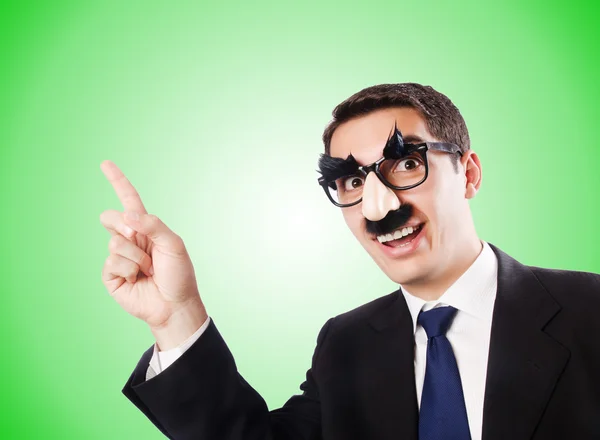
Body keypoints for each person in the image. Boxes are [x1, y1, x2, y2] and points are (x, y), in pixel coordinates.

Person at [100, 83, 600, 440]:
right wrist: (177, 314)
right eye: (353, 181)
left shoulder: (589, 311)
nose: (378, 207)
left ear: (468, 174)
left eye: (406, 164)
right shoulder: (346, 343)